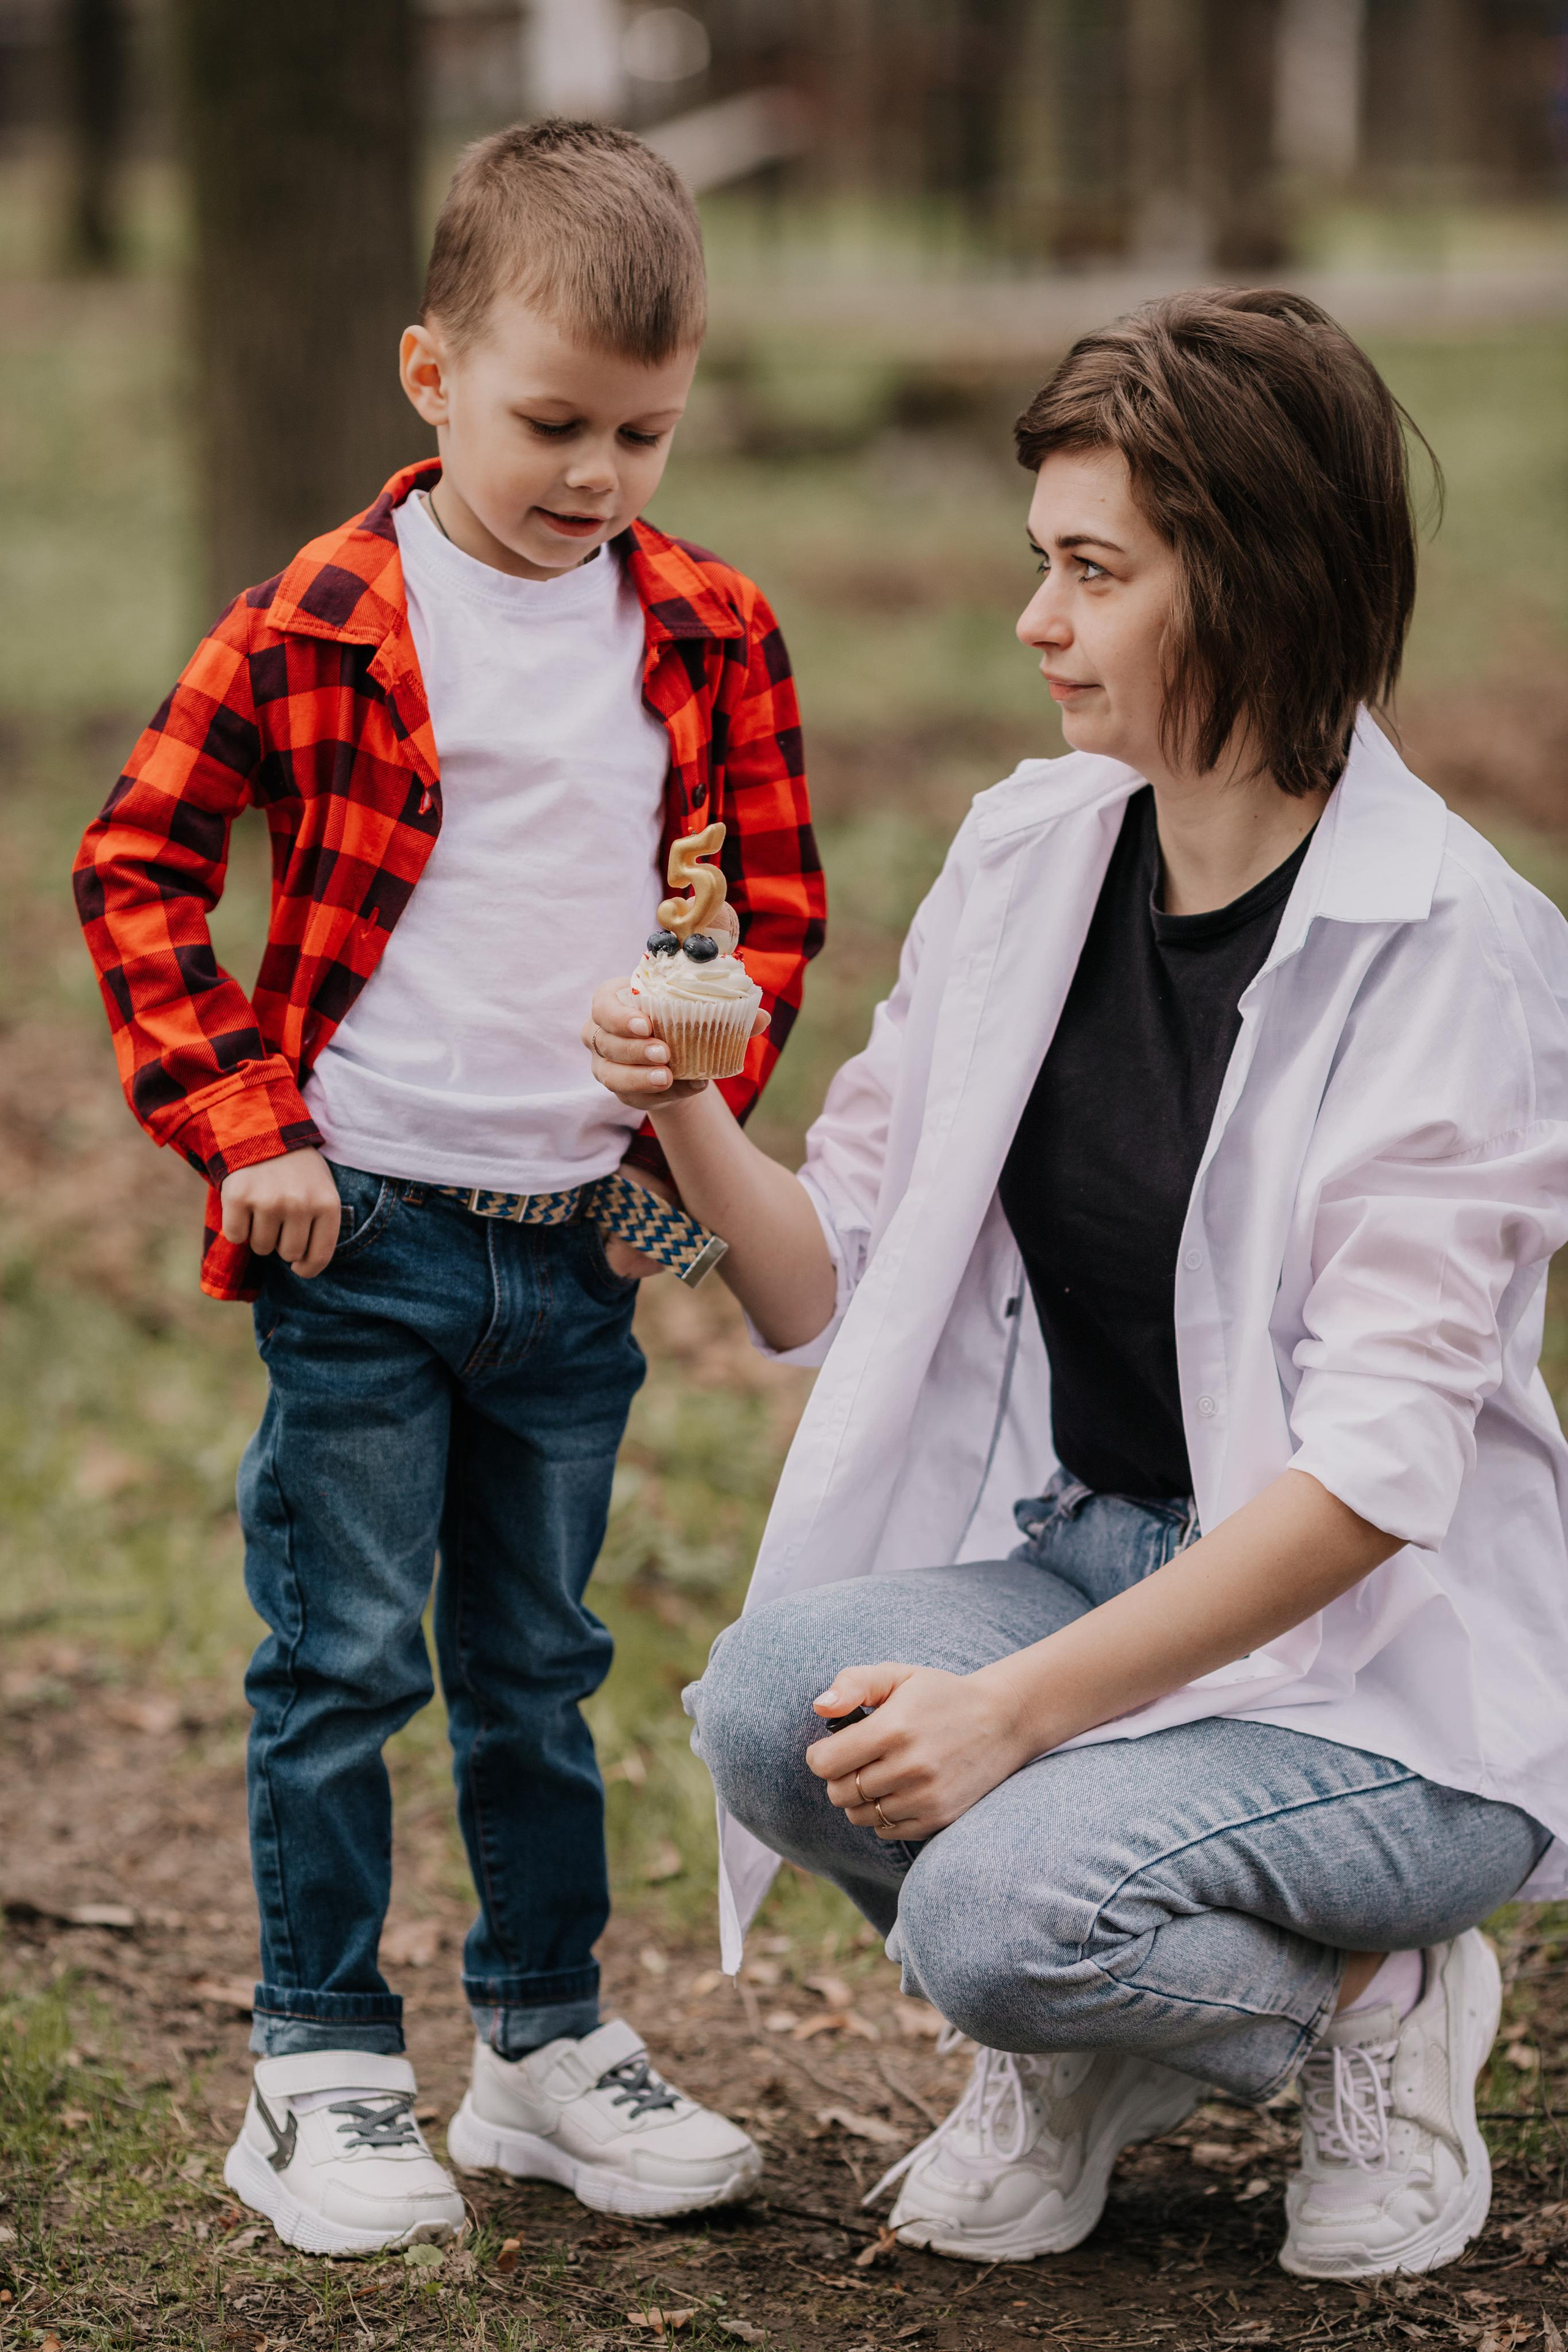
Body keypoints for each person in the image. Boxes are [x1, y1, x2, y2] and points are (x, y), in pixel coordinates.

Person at [585, 288, 1568, 2283]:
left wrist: (1015, 1717)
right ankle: (1093, 2038)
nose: (1038, 622)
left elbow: (1378, 1479)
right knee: (777, 1708)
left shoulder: (1452, 947)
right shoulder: (1033, 852)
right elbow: (823, 1274)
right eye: (1044, 562)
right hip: (1092, 1555)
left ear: (1265, 587)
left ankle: (1373, 2005)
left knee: (992, 1909)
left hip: (1382, 1685)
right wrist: (684, 1117)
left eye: (1095, 573)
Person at [74, 118, 825, 2257]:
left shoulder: (704, 633)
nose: (598, 474)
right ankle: (314, 2065)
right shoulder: (317, 615)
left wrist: (704, 1033)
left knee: (539, 1663)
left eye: (646, 433)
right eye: (553, 423)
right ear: (429, 373)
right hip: (367, 1236)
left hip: (581, 1245)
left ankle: (543, 2046)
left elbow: (769, 911)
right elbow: (137, 866)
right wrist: (246, 1129)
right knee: (338, 1669)